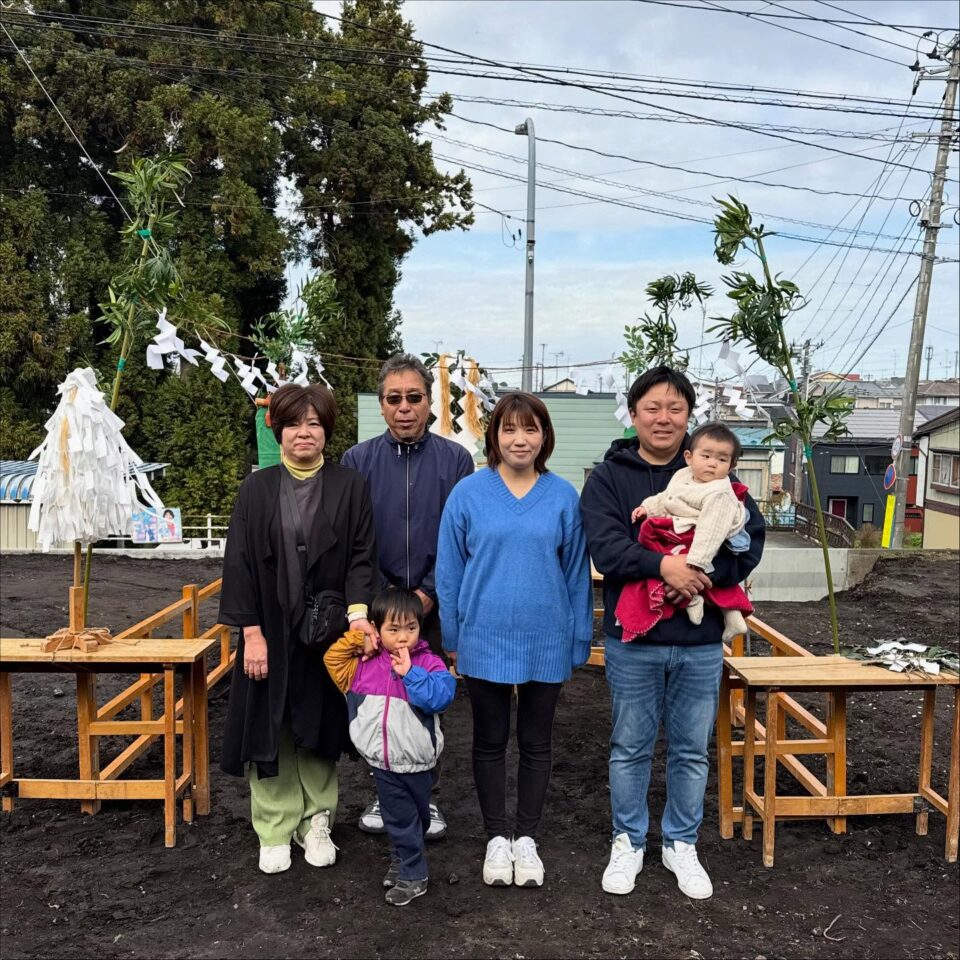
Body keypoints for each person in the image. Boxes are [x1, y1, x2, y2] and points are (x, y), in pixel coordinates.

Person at [580, 366, 764, 901]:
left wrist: (700, 577)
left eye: (675, 408)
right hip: (633, 640)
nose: (663, 418)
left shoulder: (716, 471)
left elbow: (749, 541)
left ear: (689, 417)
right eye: (652, 408)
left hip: (700, 640)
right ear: (633, 414)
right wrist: (665, 569)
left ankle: (681, 842)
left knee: (690, 749)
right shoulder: (610, 477)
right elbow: (606, 547)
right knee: (630, 745)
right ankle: (629, 839)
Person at [218, 383, 378, 875]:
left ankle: (317, 820)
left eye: (313, 423)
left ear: (326, 430)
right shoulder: (257, 489)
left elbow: (361, 556)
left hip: (325, 632)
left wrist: (356, 617)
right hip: (268, 628)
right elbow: (240, 564)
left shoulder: (350, 486)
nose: (303, 433)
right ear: (278, 430)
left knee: (319, 726)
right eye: (293, 424)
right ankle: (274, 825)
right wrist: (251, 634)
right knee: (270, 725)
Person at [436, 392, 593, 888]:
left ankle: (526, 837)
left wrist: (578, 637)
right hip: (483, 637)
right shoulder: (468, 494)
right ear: (494, 436)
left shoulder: (563, 495)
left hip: (547, 638)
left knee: (536, 742)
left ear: (545, 436)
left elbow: (576, 576)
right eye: (509, 429)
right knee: (487, 741)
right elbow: (449, 572)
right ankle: (495, 837)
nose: (519, 439)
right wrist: (453, 636)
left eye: (530, 429)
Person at [341, 353, 475, 840]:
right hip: (378, 613)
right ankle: (384, 792)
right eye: (394, 399)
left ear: (429, 402)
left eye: (414, 398)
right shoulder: (357, 461)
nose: (404, 408)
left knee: (426, 701)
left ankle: (426, 795)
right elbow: (354, 540)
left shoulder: (456, 460)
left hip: (433, 611)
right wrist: (380, 608)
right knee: (379, 702)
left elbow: (462, 537)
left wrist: (430, 593)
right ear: (381, 405)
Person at [324, 587, 456, 906]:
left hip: (420, 762)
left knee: (418, 817)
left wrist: (410, 674)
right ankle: (414, 874)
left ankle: (403, 857)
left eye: (410, 628)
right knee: (400, 818)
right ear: (377, 629)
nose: (403, 637)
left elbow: (440, 697)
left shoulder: (430, 663)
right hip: (383, 763)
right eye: (393, 629)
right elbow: (332, 658)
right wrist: (360, 638)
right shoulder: (364, 664)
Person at [617, 420, 754, 643]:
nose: (712, 464)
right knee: (650, 534)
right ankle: (702, 602)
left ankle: (701, 602)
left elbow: (712, 531)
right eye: (706, 456)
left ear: (731, 466)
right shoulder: (684, 476)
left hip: (703, 540)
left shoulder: (720, 492)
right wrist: (648, 508)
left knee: (675, 561)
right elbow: (668, 498)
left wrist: (694, 565)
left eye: (722, 459)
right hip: (683, 530)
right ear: (689, 457)